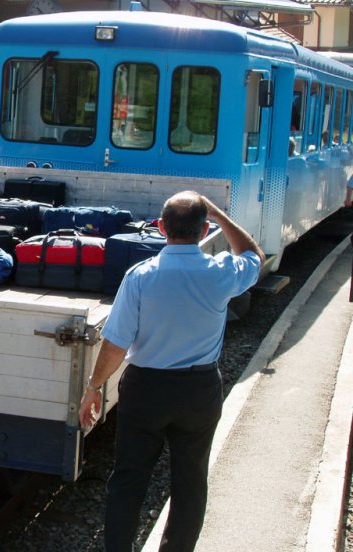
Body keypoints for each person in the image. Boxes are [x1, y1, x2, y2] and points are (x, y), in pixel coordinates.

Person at [79, 191, 263, 552]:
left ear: (161, 227)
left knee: (129, 479)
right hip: (199, 390)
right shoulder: (222, 271)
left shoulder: (140, 277)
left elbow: (115, 344)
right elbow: (253, 254)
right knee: (190, 482)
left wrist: (93, 388)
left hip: (145, 390)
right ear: (205, 228)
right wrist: (221, 215)